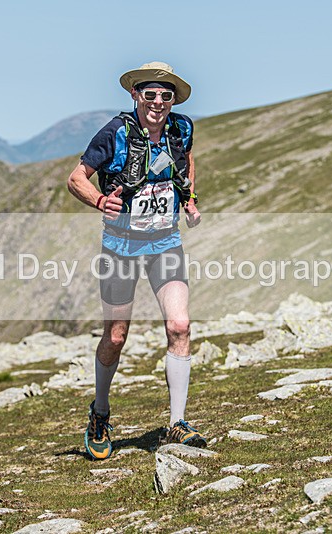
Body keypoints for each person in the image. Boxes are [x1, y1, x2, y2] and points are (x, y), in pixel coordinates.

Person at [67, 61, 204, 460]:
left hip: (165, 243)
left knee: (180, 325)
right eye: (150, 94)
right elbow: (76, 177)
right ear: (135, 95)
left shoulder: (182, 128)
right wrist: (99, 200)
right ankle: (100, 413)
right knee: (115, 336)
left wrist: (189, 200)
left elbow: (187, 163)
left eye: (166, 95)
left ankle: (176, 423)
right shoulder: (116, 132)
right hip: (121, 249)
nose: (158, 102)